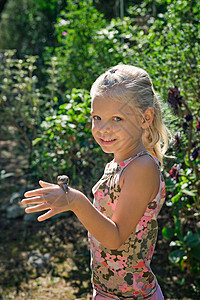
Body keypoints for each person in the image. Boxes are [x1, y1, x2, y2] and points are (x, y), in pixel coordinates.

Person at [22, 64, 169, 299]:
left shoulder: (142, 168)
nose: (102, 128)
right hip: (108, 291)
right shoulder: (117, 163)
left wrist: (76, 201)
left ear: (146, 118)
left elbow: (115, 237)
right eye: (97, 117)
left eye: (117, 118)